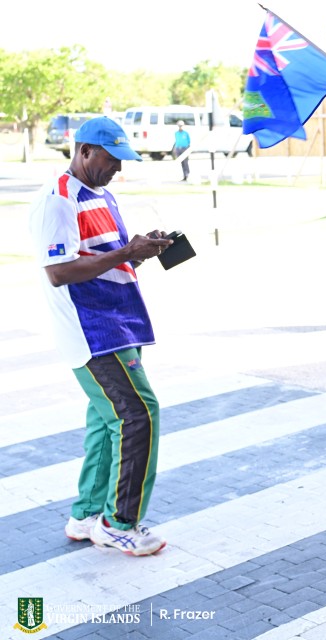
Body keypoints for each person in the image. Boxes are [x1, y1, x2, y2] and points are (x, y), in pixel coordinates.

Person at [29, 116, 172, 555]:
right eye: (111, 160)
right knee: (138, 415)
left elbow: (105, 257)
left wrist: (139, 250)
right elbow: (59, 272)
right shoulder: (57, 201)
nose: (117, 169)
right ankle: (118, 523)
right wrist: (127, 251)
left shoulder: (101, 194)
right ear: (85, 151)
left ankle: (88, 514)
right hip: (91, 330)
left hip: (117, 322)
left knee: (106, 421)